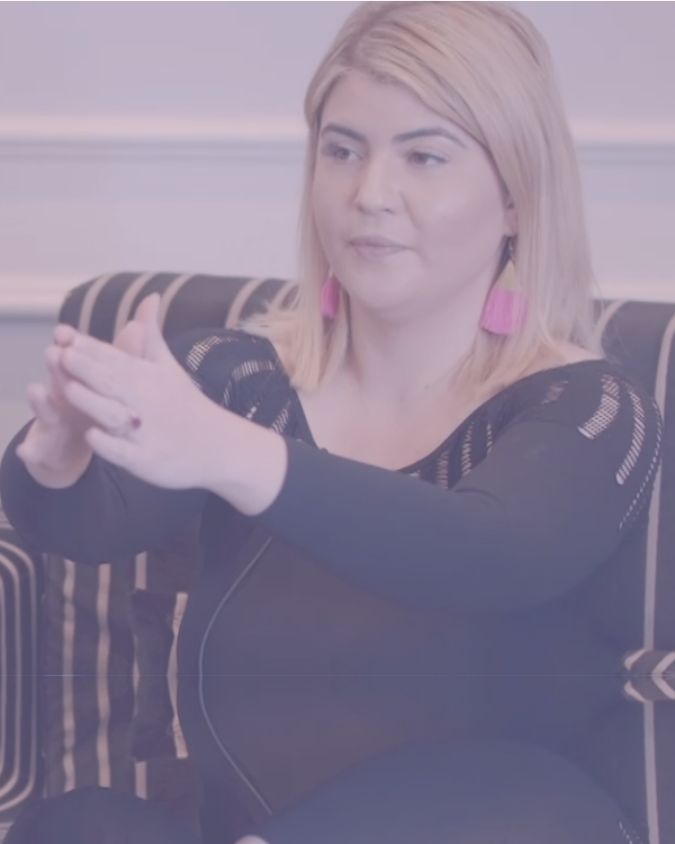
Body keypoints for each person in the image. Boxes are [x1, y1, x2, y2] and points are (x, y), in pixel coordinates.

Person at [0, 2, 663, 843]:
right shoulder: (236, 375)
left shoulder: (594, 408)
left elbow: (494, 554)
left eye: (423, 156)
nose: (368, 195)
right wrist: (54, 462)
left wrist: (229, 454)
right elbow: (88, 524)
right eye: (342, 150)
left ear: (514, 199)